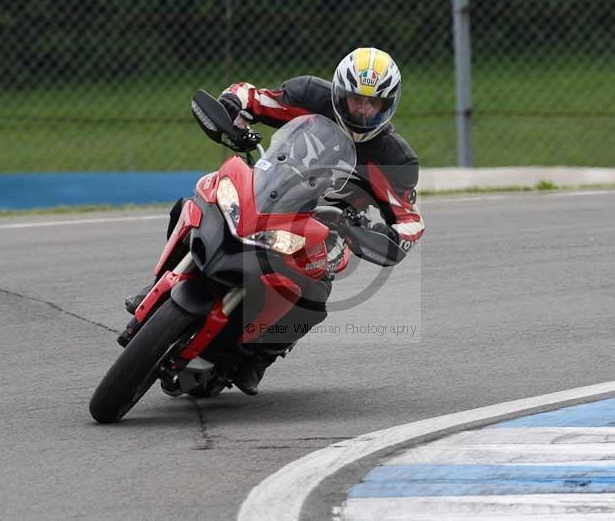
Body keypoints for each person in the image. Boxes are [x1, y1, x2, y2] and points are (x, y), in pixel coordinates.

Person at [128, 47, 425, 395]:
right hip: (268, 191)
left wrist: (382, 236)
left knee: (315, 291)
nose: (361, 109)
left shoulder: (396, 159)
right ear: (338, 92)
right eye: (355, 99)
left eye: (372, 103)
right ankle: (159, 281)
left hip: (322, 229)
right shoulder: (309, 95)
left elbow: (410, 220)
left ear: (388, 104)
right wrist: (233, 108)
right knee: (200, 198)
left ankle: (257, 358)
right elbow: (253, 96)